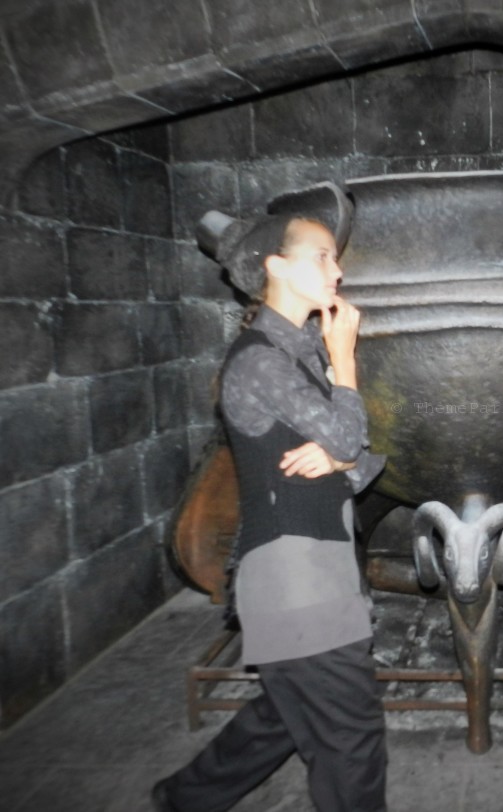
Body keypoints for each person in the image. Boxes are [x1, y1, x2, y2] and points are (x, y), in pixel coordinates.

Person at [152, 205, 388, 812]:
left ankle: (181, 799)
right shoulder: (262, 359)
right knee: (351, 741)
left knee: (284, 718)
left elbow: (359, 462)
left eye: (336, 257)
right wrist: (346, 359)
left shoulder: (300, 357)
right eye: (322, 255)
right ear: (275, 266)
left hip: (314, 572)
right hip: (296, 581)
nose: (337, 269)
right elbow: (345, 436)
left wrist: (339, 458)